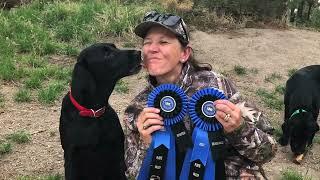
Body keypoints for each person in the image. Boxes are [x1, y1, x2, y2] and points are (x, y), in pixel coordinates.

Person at [123, 10, 277, 180]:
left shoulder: (218, 87)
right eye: (147, 42)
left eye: (163, 41)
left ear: (184, 54)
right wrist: (147, 145)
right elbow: (133, 172)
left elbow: (268, 152)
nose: (152, 49)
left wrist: (239, 129)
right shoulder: (138, 107)